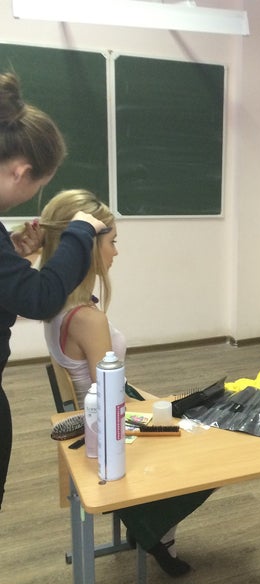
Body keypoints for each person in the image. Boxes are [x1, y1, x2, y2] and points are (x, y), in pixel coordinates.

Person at [40, 189, 214, 577]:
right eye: (112, 242)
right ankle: (155, 533)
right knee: (205, 450)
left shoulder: (58, 304)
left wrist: (156, 403)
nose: (116, 252)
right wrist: (158, 416)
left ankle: (151, 527)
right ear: (88, 248)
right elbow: (111, 398)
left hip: (101, 412)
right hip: (108, 427)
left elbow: (110, 386)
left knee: (182, 414)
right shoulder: (88, 319)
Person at [0, 72, 106, 511]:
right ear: (22, 172)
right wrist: (81, 232)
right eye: (37, 185)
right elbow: (41, 298)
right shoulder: (87, 320)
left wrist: (11, 255)